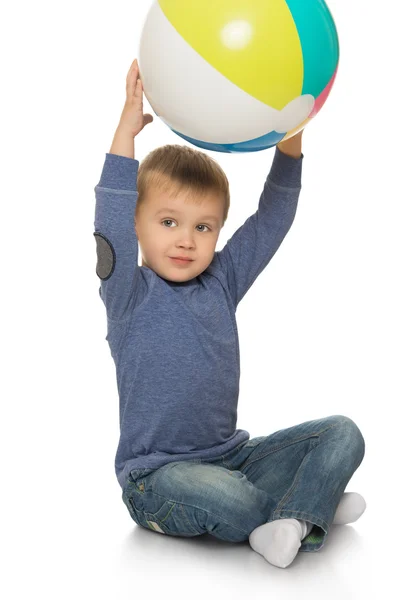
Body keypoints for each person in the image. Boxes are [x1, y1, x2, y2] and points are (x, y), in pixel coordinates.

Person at [93, 58, 366, 569]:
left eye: (203, 227)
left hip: (234, 458)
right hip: (156, 478)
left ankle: (297, 515)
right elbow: (108, 216)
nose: (185, 239)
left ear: (218, 233)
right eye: (169, 221)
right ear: (137, 224)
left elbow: (273, 218)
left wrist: (292, 139)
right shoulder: (127, 294)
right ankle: (308, 508)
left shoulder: (222, 280)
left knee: (343, 432)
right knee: (226, 498)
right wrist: (126, 131)